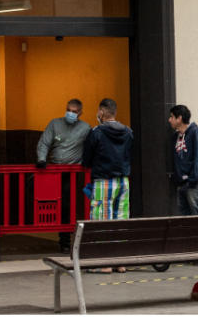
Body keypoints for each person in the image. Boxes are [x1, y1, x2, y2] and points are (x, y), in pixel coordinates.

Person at [82, 98, 134, 273]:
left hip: (103, 180)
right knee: (121, 220)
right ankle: (120, 262)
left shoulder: (96, 132)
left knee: (102, 220)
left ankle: (105, 264)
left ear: (102, 112)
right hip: (123, 181)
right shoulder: (128, 132)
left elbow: (86, 159)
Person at [35, 98, 90, 252]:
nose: (70, 114)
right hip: (53, 171)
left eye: (74, 112)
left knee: (67, 205)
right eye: (68, 110)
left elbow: (92, 147)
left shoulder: (85, 128)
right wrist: (41, 159)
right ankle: (61, 237)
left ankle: (65, 241)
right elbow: (44, 142)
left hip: (71, 173)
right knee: (48, 202)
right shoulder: (55, 124)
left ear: (80, 113)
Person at [169, 105, 198, 215]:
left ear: (179, 118)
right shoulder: (176, 137)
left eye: (172, 117)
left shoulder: (195, 133)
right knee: (185, 219)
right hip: (182, 184)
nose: (169, 120)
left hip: (195, 183)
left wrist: (193, 180)